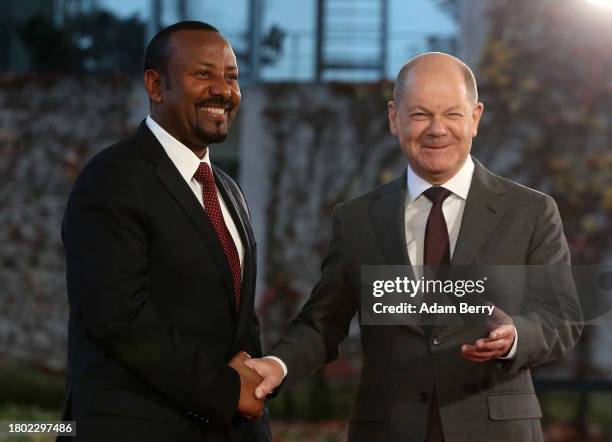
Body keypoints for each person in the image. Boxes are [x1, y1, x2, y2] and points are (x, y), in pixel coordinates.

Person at [245, 52, 582, 442]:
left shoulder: (532, 211)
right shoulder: (356, 220)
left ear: (475, 117)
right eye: (420, 114)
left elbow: (563, 316)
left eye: (452, 114)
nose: (437, 129)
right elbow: (323, 323)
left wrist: (517, 336)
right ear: (394, 117)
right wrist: (277, 363)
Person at [60, 21, 270, 442]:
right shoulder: (111, 179)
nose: (222, 90)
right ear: (155, 86)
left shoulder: (228, 190)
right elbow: (121, 319)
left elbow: (237, 320)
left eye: (231, 77)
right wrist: (228, 390)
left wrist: (259, 384)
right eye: (203, 74)